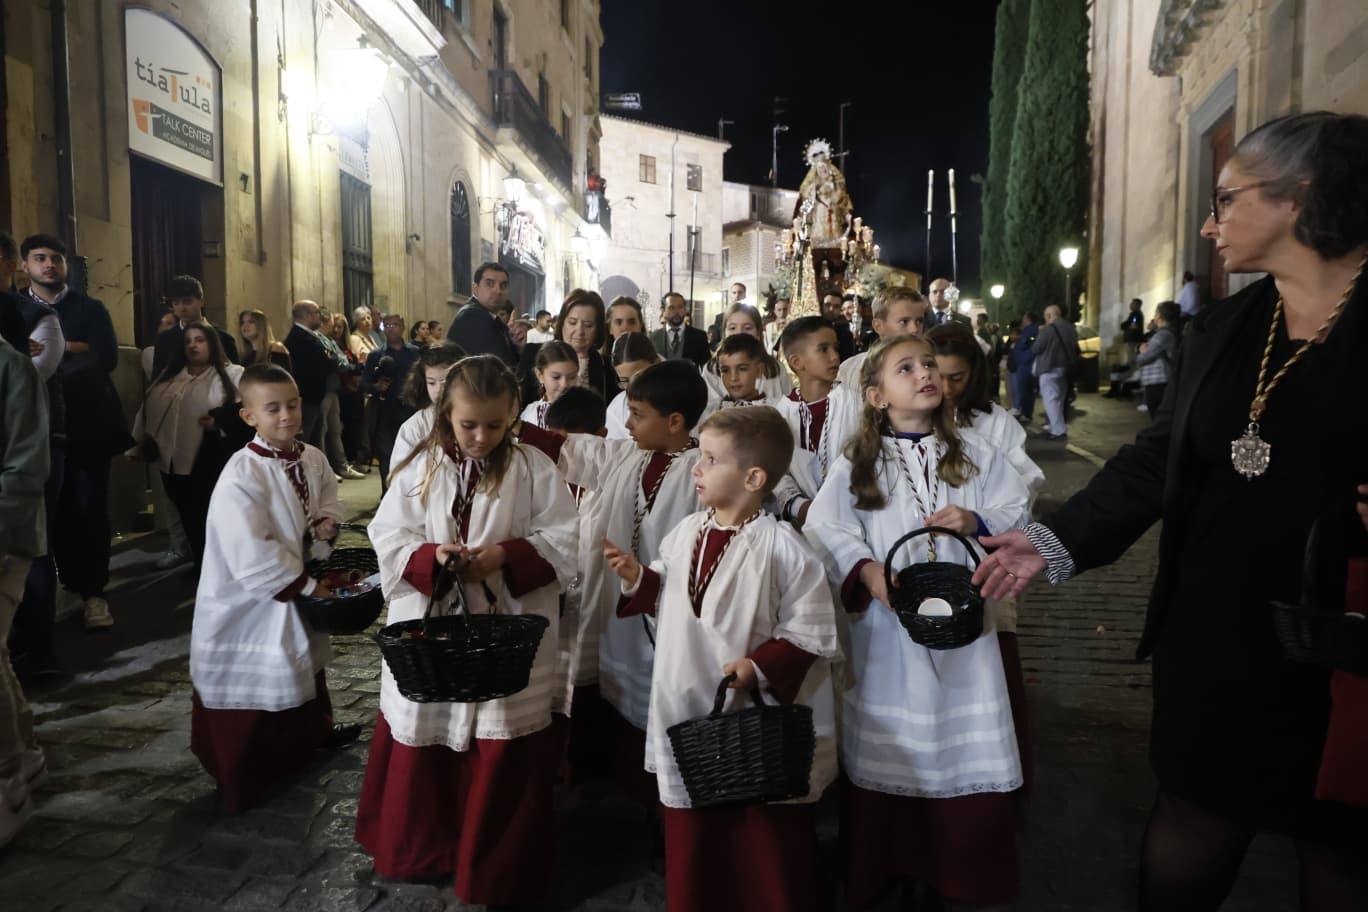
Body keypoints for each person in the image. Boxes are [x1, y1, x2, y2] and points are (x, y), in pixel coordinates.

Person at [974, 110, 1368, 911]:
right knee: (1191, 823)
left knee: (1342, 851)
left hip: (1346, 650)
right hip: (1217, 635)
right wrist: (1051, 541)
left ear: (1301, 195)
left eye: (1225, 199)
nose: (1205, 221)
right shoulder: (1225, 326)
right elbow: (1159, 458)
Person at [804, 333, 1030, 910]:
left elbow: (1016, 508)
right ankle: (888, 869)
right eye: (906, 368)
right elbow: (827, 529)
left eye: (928, 364)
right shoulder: (859, 463)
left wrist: (974, 518)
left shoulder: (975, 453)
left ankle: (958, 874)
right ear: (877, 396)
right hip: (890, 635)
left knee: (960, 744)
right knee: (893, 742)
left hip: (965, 632)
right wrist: (867, 571)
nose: (925, 373)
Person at [356, 356, 578, 908]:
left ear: (512, 419)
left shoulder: (532, 469)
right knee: (429, 727)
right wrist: (433, 559)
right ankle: (423, 849)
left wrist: (504, 556)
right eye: (468, 425)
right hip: (434, 636)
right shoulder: (420, 466)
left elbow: (566, 537)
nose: (481, 437)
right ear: (445, 416)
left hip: (506, 638)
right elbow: (388, 533)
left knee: (499, 731)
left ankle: (495, 861)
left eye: (495, 426)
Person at [604, 406, 840, 912]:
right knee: (693, 818)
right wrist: (638, 578)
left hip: (752, 714)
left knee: (759, 821)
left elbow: (811, 630)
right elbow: (671, 588)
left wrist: (758, 667)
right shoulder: (686, 530)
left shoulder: (785, 549)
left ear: (753, 477)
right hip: (684, 697)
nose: (696, 467)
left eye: (710, 459)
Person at [517, 361, 710, 806]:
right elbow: (573, 450)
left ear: (675, 421)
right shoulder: (628, 454)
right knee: (616, 687)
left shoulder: (702, 469)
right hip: (616, 604)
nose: (627, 422)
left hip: (666, 607)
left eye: (638, 414)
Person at [189, 363, 358, 812]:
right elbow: (249, 546)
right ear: (249, 417)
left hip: (297, 584)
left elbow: (328, 497)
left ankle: (307, 739)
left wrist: (327, 519)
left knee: (301, 664)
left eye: (293, 404)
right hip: (249, 598)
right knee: (256, 680)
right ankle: (241, 771)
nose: (287, 416)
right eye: (273, 409)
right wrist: (303, 584)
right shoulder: (242, 473)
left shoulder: (313, 456)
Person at [928, 322, 1045, 785]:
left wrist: (978, 514)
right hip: (927, 556)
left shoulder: (995, 423)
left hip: (983, 553)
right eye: (939, 376)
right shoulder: (911, 417)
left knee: (986, 655)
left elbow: (1027, 483)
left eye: (957, 378)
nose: (946, 387)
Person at [22, 234, 129, 631]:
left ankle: (94, 594)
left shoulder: (89, 307)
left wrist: (52, 346)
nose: (49, 264)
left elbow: (107, 356)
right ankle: (64, 585)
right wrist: (73, 347)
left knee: (89, 508)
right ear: (25, 266)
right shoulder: (16, 307)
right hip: (37, 428)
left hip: (87, 425)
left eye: (55, 258)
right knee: (53, 513)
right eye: (39, 258)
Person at [128, 323, 245, 567]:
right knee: (190, 519)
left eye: (199, 340)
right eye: (188, 341)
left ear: (212, 344)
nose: (193, 345)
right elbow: (148, 411)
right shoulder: (170, 378)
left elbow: (246, 411)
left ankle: (222, 570)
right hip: (172, 462)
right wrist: (138, 444)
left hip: (211, 462)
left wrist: (221, 421)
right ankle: (203, 568)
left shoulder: (233, 375)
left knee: (214, 520)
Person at [2, 234, 66, 679]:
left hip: (25, 452)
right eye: (37, 257)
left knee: (33, 551)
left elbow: (36, 370)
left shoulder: (28, 313)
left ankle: (37, 651)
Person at [0, 333, 50, 847]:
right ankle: (26, 755)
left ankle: (8, 780)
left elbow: (25, 463)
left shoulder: (10, 366)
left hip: (5, 537)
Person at [772, 316, 862, 530]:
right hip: (802, 520)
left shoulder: (856, 402)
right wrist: (798, 506)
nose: (834, 356)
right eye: (823, 349)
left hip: (853, 514)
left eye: (835, 348)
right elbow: (777, 470)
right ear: (796, 362)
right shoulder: (781, 413)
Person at [519, 289, 613, 405]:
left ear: (598, 329)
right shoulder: (532, 354)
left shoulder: (605, 366)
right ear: (562, 322)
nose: (579, 331)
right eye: (572, 323)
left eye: (588, 325)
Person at [363, 314, 422, 489]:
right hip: (385, 411)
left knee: (412, 452)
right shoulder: (376, 355)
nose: (391, 328)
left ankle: (410, 492)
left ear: (403, 328)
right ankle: (387, 493)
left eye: (395, 325)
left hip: (410, 410)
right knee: (386, 454)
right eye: (387, 325)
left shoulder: (415, 353)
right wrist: (376, 387)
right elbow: (364, 383)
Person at [389, 343, 467, 473]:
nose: (438, 389)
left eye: (445, 382)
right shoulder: (413, 427)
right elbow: (401, 479)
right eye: (431, 382)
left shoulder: (478, 418)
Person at [149, 275, 239, 381]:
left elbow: (234, 379)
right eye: (176, 303)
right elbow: (157, 380)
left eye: (187, 302)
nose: (182, 308)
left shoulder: (223, 338)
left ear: (201, 301)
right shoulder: (165, 339)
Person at [836, 287, 929, 388]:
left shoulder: (931, 368)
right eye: (904, 321)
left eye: (919, 321)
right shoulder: (851, 369)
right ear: (878, 326)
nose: (915, 329)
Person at [700, 302, 792, 401]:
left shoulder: (775, 368)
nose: (739, 333)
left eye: (747, 328)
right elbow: (707, 408)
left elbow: (788, 405)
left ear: (758, 333)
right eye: (732, 328)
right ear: (724, 333)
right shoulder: (712, 369)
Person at [283, 300, 337, 451]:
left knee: (315, 441)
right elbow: (325, 364)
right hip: (307, 400)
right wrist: (331, 359)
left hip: (313, 399)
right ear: (308, 315)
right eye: (317, 313)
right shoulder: (302, 338)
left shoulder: (308, 336)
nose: (320, 316)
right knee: (306, 443)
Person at [447, 262, 517, 365]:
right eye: (490, 283)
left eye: (503, 285)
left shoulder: (487, 315)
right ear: (475, 289)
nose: (498, 291)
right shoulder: (473, 316)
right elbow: (497, 368)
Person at [1031, 304, 1079, 441]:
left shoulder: (1049, 329)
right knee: (1060, 399)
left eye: (1046, 316)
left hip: (1049, 367)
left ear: (1049, 315)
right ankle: (1056, 427)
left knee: (1051, 400)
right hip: (1065, 367)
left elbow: (1036, 348)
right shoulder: (1070, 328)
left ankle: (1058, 430)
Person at [329, 313, 368, 473]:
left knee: (356, 426)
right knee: (342, 427)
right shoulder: (331, 345)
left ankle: (355, 459)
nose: (337, 330)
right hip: (342, 391)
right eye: (335, 327)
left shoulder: (348, 345)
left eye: (340, 327)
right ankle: (345, 460)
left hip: (354, 390)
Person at [604, 332, 660, 439]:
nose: (633, 388)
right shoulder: (616, 409)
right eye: (625, 381)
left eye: (638, 378)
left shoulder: (679, 394)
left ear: (656, 363)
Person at [1135, 300, 1180, 420]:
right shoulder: (1167, 333)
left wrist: (1141, 351)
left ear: (1159, 315)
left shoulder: (1162, 335)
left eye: (1155, 314)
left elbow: (1144, 358)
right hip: (1160, 381)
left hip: (1158, 382)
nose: (1154, 317)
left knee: (1158, 417)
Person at [520, 341, 579, 429]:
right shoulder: (530, 414)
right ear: (540, 375)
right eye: (556, 377)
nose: (564, 385)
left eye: (572, 377)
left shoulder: (585, 412)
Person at [711, 332, 778, 408]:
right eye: (725, 370)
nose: (733, 378)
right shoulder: (711, 412)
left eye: (742, 369)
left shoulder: (780, 410)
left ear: (759, 370)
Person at [650, 292, 710, 369]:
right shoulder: (654, 337)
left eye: (680, 307)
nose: (676, 312)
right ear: (663, 311)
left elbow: (707, 370)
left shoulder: (699, 336)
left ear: (685, 309)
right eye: (671, 308)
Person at [1009, 312, 1040, 423]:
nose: (1022, 320)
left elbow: (1024, 344)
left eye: (1024, 318)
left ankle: (1022, 411)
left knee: (1023, 388)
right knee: (1026, 389)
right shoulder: (1032, 329)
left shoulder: (1030, 330)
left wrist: (1018, 345)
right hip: (1025, 362)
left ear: (1027, 319)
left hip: (1024, 363)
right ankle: (1025, 413)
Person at [820, 292, 857, 361]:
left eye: (836, 306)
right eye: (827, 305)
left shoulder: (845, 334)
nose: (831, 309)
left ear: (840, 310)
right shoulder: (810, 329)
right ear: (821, 306)